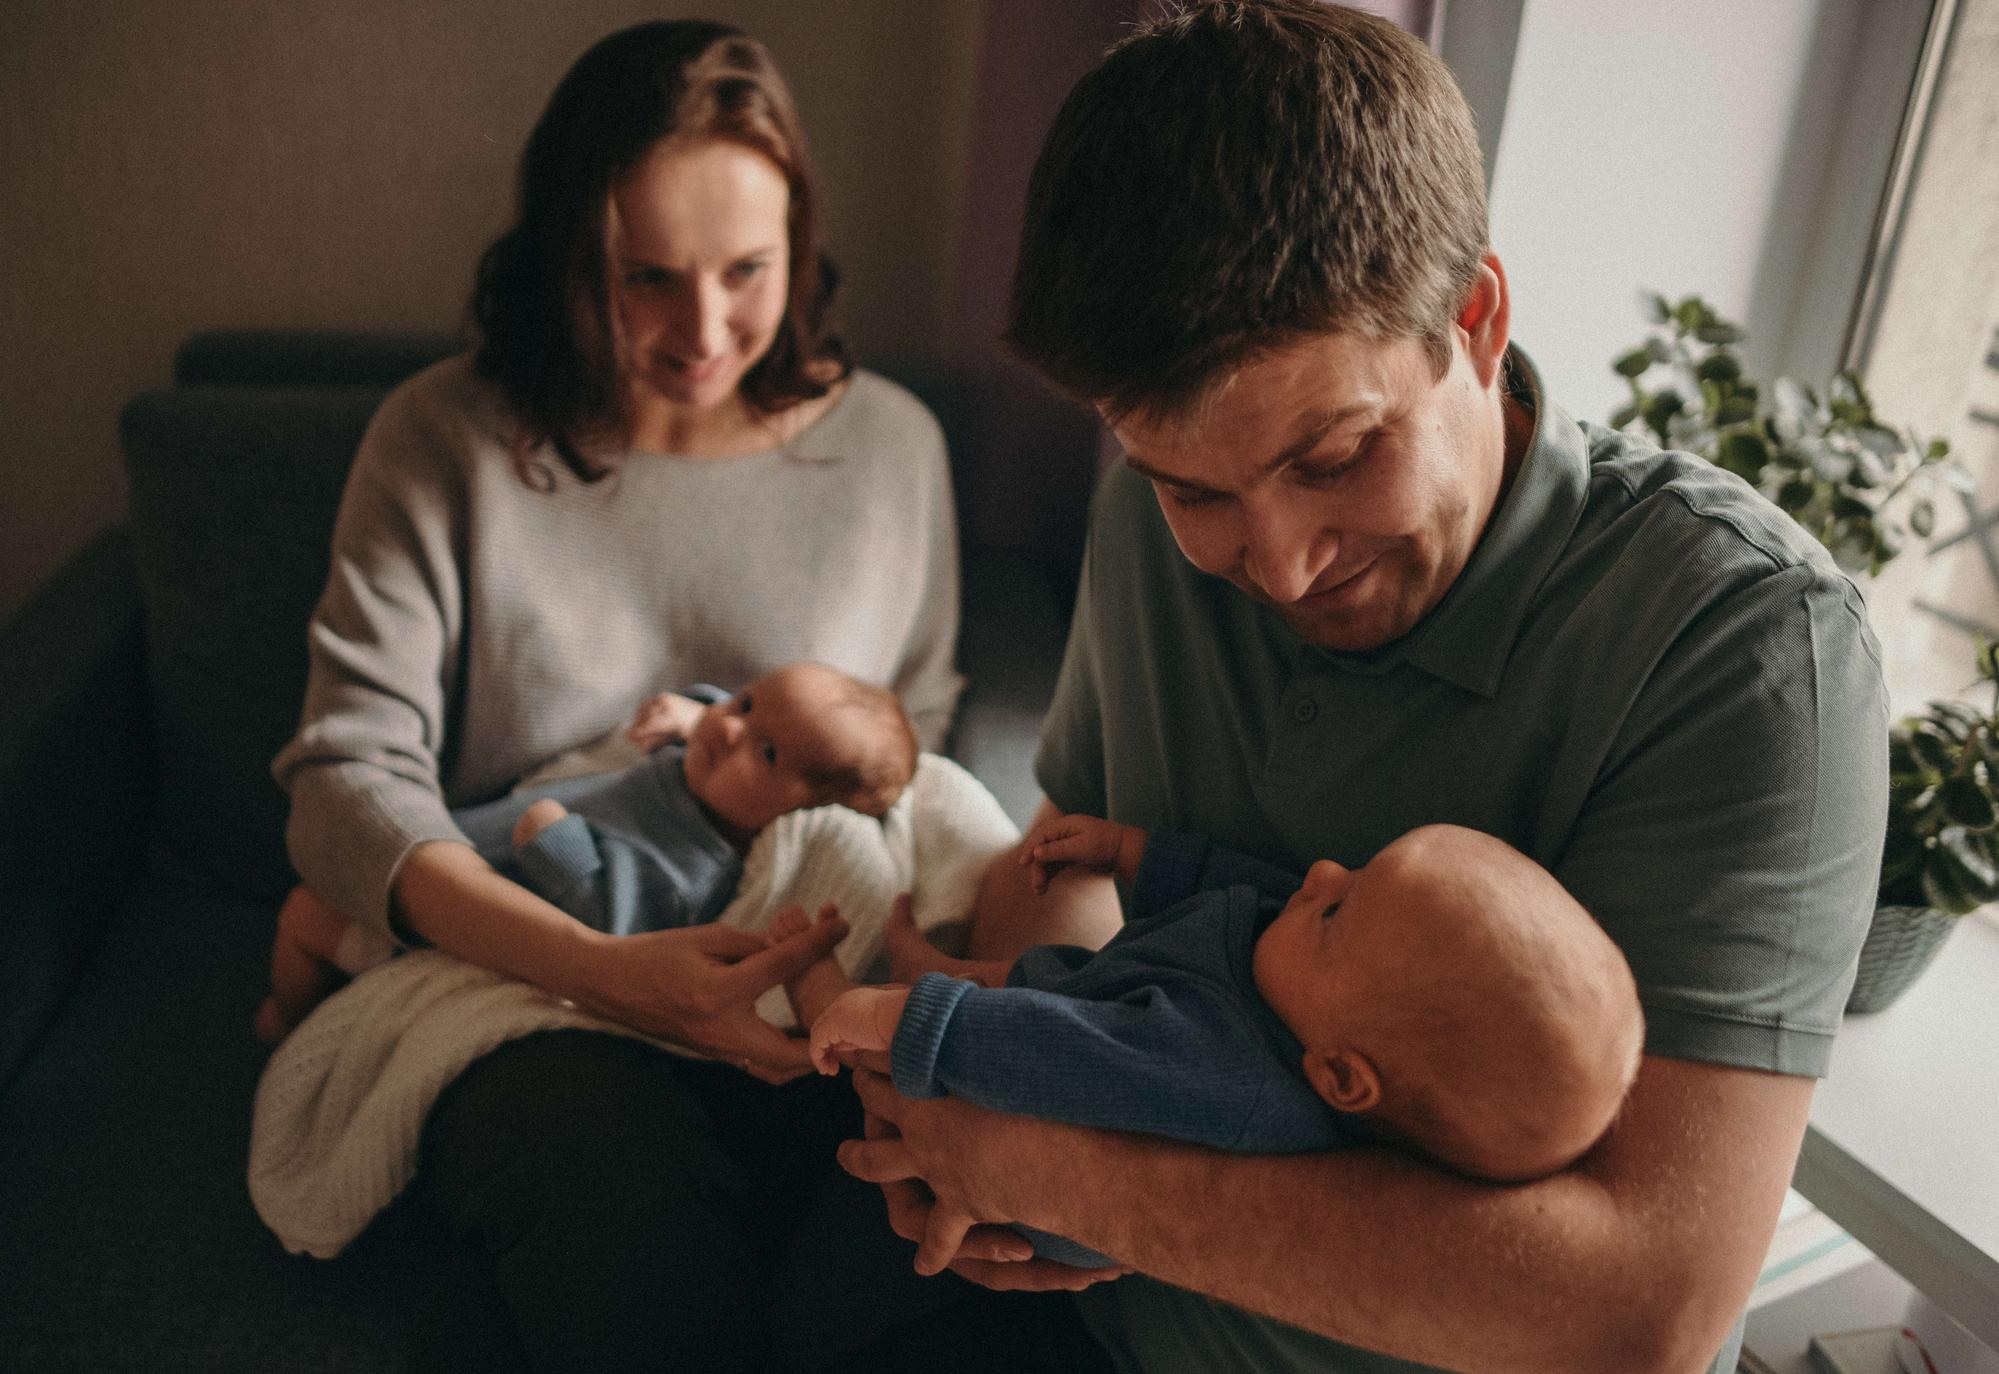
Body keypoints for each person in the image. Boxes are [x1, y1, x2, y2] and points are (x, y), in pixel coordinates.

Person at [832, 4, 1890, 1372]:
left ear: (1475, 317)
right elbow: (1064, 855)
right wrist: (1045, 1070)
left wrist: (1067, 1169)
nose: (1272, 562)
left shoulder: (1745, 651)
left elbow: (1642, 1315)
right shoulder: (1147, 533)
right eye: (1191, 489)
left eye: (1332, 456)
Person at [269, 20, 972, 1371]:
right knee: (619, 1205)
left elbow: (915, 761)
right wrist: (603, 971)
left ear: (798, 242)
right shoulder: (445, 438)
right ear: (562, 261)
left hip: (788, 989)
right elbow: (345, 779)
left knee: (900, 1257)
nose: (701, 331)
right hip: (517, 975)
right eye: (642, 277)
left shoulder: (889, 448)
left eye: (745, 271)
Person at [792, 817, 1643, 1273]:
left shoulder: (1220, 1076)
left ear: (1338, 1077)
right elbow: (1253, 890)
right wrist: (1134, 853)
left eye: (1338, 908)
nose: (1317, 876)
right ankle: (936, 968)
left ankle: (817, 988)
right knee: (1042, 980)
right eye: (1355, 870)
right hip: (1101, 1006)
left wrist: (914, 1022)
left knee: (994, 1025)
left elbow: (1066, 1051)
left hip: (1060, 1094)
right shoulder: (1324, 984)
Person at [256, 662, 917, 1043]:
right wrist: (694, 715)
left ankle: (291, 1018)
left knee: (305, 915)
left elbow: (619, 927)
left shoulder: (695, 866)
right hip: (448, 846)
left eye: (767, 751)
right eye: (746, 701)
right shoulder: (708, 760)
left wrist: (558, 847)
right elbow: (724, 716)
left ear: (803, 816)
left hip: (462, 927)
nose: (731, 726)